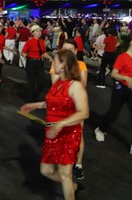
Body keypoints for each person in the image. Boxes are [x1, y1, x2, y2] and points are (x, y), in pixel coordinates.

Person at [21, 49, 89, 200]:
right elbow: (53, 102)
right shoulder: (58, 82)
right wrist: (35, 105)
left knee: (65, 174)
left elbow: (84, 112)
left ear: (63, 65)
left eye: (55, 61)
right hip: (52, 132)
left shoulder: (75, 85)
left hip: (67, 134)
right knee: (46, 171)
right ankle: (73, 186)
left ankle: (69, 188)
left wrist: (61, 124)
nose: (53, 64)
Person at [50, 39, 88, 180]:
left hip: (76, 105)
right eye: (64, 49)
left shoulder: (81, 65)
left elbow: (82, 85)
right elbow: (55, 85)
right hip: (59, 107)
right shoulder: (56, 65)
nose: (67, 52)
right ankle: (63, 161)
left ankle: (78, 164)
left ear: (75, 51)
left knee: (78, 135)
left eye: (70, 49)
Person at [21, 25, 53, 102]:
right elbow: (23, 52)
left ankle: (35, 95)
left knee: (42, 82)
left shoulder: (42, 42)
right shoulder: (29, 41)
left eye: (40, 31)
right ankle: (31, 99)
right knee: (32, 82)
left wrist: (50, 58)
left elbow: (43, 53)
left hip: (39, 63)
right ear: (33, 33)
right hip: (31, 62)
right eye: (37, 31)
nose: (39, 33)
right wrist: (25, 55)